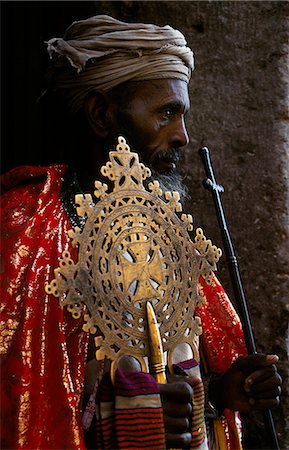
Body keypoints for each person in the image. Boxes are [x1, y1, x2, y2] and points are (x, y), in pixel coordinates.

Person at [0, 15, 281, 450]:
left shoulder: (173, 236)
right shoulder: (23, 229)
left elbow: (181, 396)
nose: (183, 137)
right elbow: (22, 401)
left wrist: (220, 394)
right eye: (167, 113)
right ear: (101, 114)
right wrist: (115, 414)